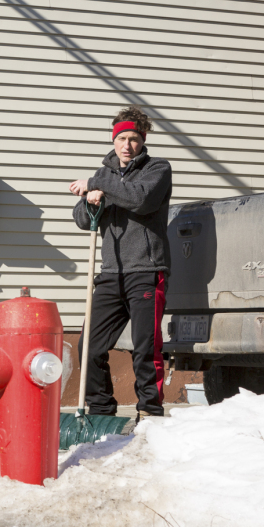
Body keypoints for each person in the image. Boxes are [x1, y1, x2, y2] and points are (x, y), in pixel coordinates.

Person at [70, 105, 172, 424]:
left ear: (143, 141)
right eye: (121, 138)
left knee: (145, 347)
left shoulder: (158, 170)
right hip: (111, 274)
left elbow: (140, 199)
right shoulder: (105, 177)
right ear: (113, 140)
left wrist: (99, 183)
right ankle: (101, 409)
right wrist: (90, 202)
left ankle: (149, 411)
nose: (127, 145)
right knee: (89, 346)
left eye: (134, 139)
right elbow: (82, 221)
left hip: (146, 271)